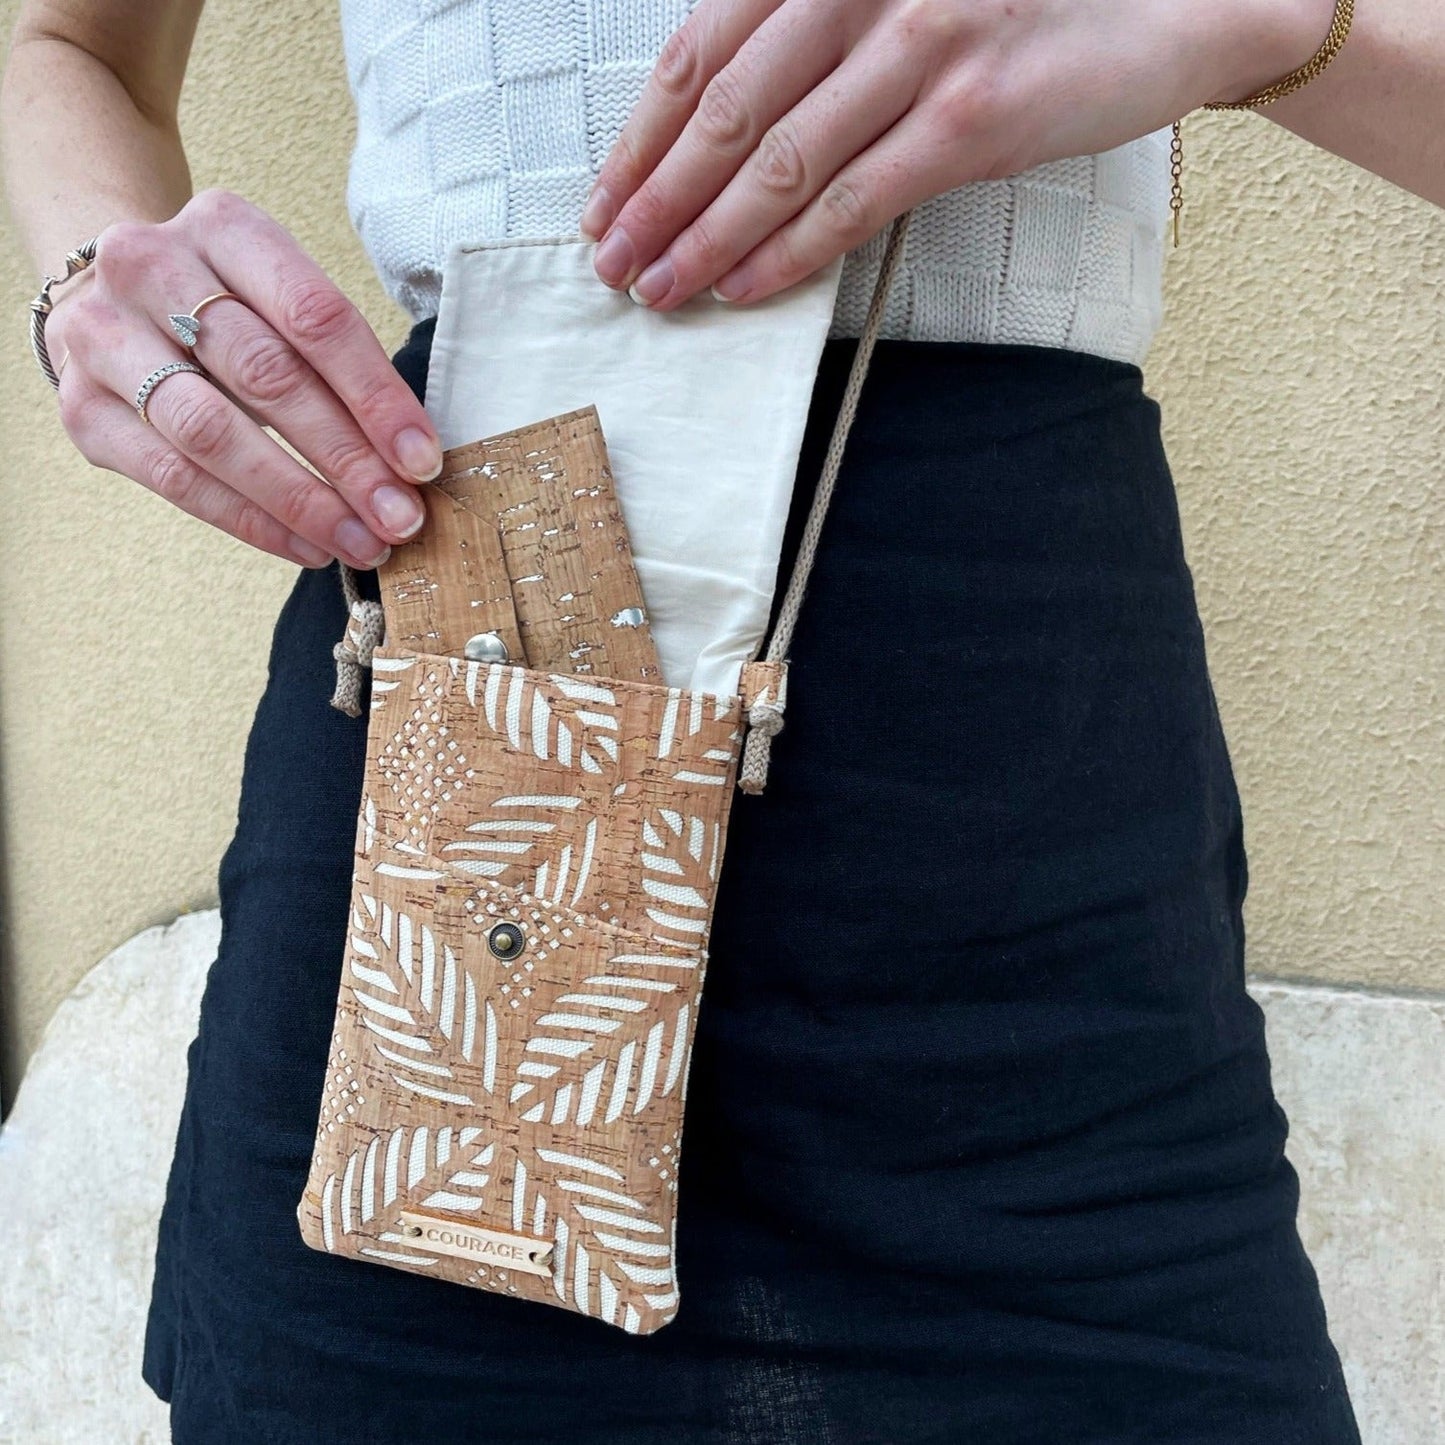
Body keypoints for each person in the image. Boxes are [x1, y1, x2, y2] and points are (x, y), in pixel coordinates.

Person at [3, 1, 1438, 1440]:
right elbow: (70, 49)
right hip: (446, 841)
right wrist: (90, 284)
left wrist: (1254, 19)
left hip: (1023, 843)